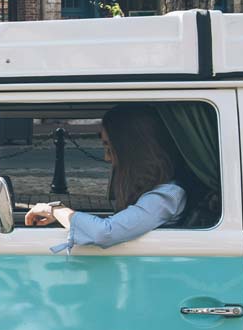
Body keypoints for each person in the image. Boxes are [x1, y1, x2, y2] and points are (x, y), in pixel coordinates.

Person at [24, 106, 187, 251]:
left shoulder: (167, 196)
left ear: (133, 150)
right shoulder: (160, 192)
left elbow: (105, 232)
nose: (107, 158)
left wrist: (54, 209)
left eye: (110, 148)